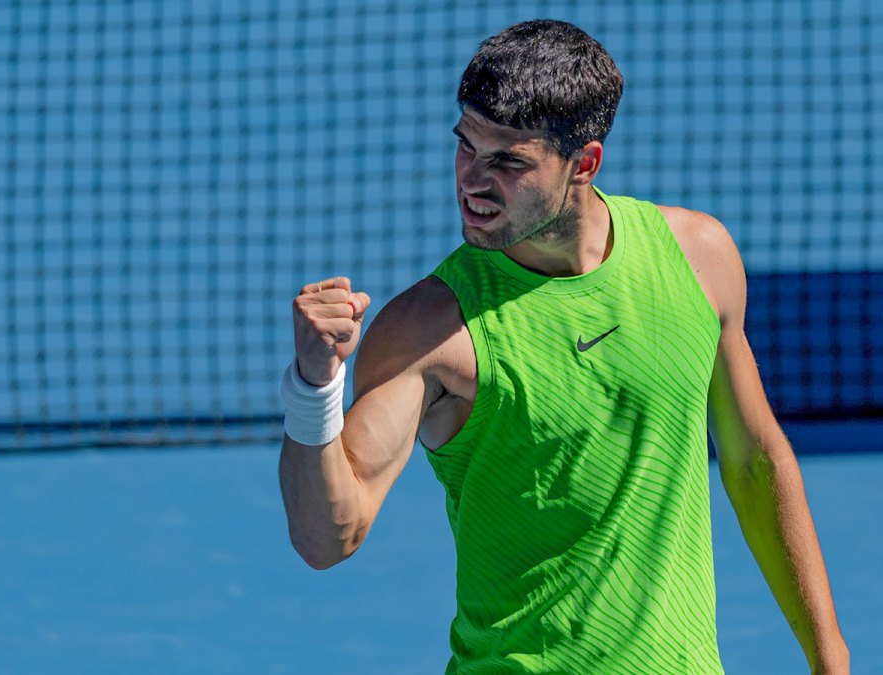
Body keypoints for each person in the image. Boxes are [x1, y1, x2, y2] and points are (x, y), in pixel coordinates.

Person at [279, 19, 849, 674]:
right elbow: (328, 536)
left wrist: (828, 652)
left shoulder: (700, 259)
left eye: (509, 162)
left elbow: (753, 459)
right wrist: (314, 386)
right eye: (465, 147)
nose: (473, 180)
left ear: (584, 163)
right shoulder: (431, 330)